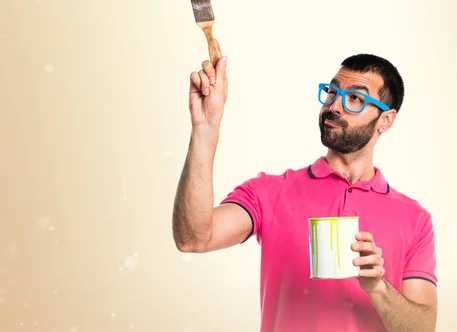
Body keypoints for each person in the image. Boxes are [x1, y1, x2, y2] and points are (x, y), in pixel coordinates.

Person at [172, 47, 438, 332]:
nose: (335, 106)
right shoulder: (269, 192)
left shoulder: (415, 219)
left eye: (355, 99)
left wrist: (378, 288)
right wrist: (205, 129)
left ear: (385, 120)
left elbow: (422, 328)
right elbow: (193, 238)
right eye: (332, 93)